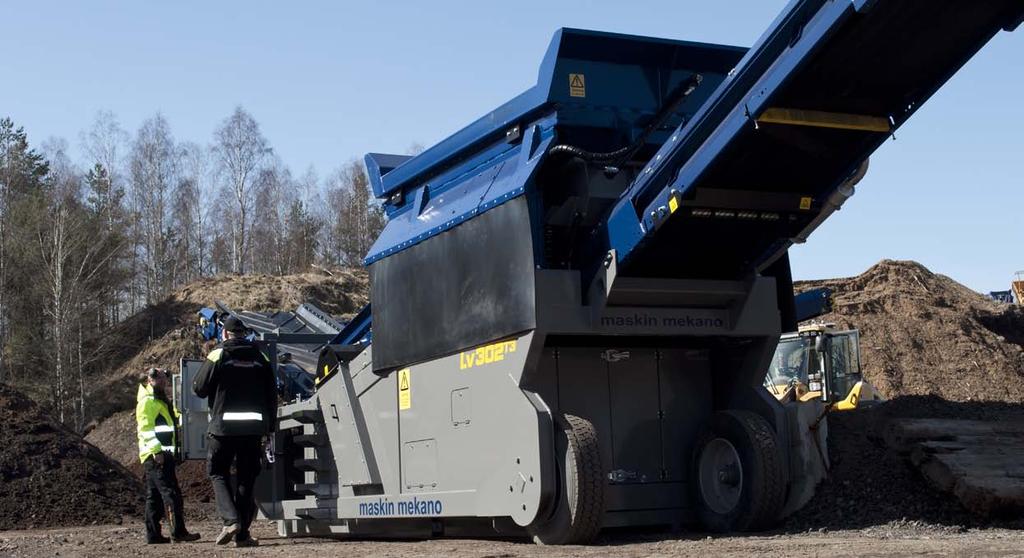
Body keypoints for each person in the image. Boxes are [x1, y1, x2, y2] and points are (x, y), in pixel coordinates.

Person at [193, 315, 277, 547]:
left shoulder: (218, 354)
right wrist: (270, 427)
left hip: (223, 429)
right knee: (246, 479)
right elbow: (272, 394)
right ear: (244, 333)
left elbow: (198, 388)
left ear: (224, 334)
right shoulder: (261, 357)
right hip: (253, 430)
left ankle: (230, 521)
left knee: (217, 472)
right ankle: (242, 535)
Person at [136, 367, 201, 544]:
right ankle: (178, 532)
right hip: (157, 456)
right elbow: (146, 430)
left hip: (159, 455)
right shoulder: (148, 402)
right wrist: (157, 451)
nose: (163, 381)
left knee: (154, 496)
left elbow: (172, 421)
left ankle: (153, 535)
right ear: (149, 380)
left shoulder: (160, 400)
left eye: (164, 378)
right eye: (159, 379)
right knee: (171, 494)